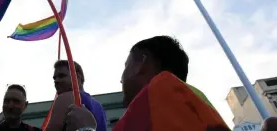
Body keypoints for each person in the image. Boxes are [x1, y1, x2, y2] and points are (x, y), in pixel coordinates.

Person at [64, 36, 231, 131]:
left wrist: (85, 129)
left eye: (126, 66)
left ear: (141, 64)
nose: (121, 79)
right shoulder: (193, 98)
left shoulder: (161, 91)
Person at [44, 60, 107, 131]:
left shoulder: (65, 97)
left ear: (77, 77)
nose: (56, 81)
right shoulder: (98, 106)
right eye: (54, 78)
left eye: (61, 76)